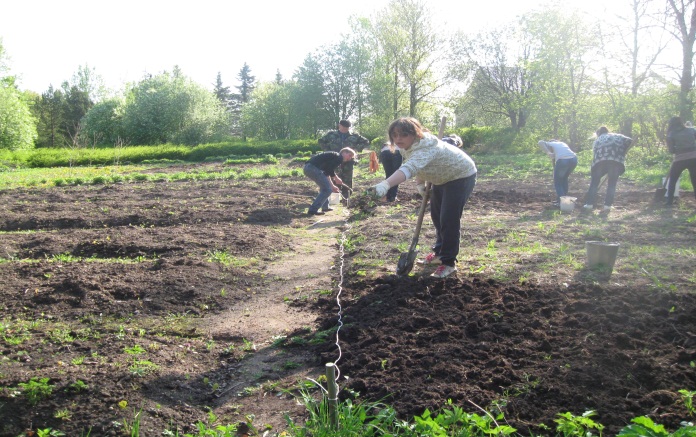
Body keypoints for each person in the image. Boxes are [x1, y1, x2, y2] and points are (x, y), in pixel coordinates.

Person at [371, 117, 477, 278]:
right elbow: (418, 166)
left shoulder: (427, 147)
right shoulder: (405, 146)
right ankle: (439, 253)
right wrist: (420, 183)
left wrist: (386, 184)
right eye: (395, 135)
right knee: (436, 215)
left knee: (448, 218)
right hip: (440, 177)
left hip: (460, 175)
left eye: (403, 135)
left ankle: (448, 263)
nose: (398, 139)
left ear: (415, 134)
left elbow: (410, 168)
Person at [582, 126, 633, 212]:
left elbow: (595, 154)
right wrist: (622, 151)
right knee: (612, 184)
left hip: (599, 162)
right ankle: (607, 206)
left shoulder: (597, 140)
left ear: (598, 133)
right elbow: (630, 141)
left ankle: (589, 204)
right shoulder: (618, 136)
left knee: (594, 182)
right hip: (615, 162)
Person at [318, 120, 370, 198]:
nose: (345, 129)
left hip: (348, 160)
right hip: (334, 160)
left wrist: (355, 149)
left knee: (347, 178)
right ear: (339, 125)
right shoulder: (331, 135)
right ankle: (335, 195)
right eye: (344, 127)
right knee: (334, 177)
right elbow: (321, 141)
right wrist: (328, 150)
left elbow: (366, 142)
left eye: (347, 128)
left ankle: (346, 196)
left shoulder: (354, 136)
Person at [303, 148, 357, 215]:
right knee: (327, 189)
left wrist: (332, 185)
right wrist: (336, 178)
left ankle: (325, 207)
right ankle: (313, 210)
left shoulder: (334, 157)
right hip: (312, 168)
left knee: (325, 188)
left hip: (308, 168)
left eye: (351, 157)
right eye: (349, 155)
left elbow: (327, 173)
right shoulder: (339, 157)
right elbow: (329, 170)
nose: (349, 158)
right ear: (344, 152)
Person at [665, 116, 696, 206]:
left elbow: (671, 150)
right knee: (695, 180)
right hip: (694, 158)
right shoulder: (692, 130)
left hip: (680, 159)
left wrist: (677, 149)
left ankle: (669, 202)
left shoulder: (671, 134)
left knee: (673, 180)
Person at [538, 139, 578, 206]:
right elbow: (554, 162)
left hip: (563, 160)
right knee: (564, 179)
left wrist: (548, 152)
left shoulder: (550, 143)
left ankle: (561, 202)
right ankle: (563, 199)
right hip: (574, 159)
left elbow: (540, 142)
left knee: (558, 182)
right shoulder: (562, 144)